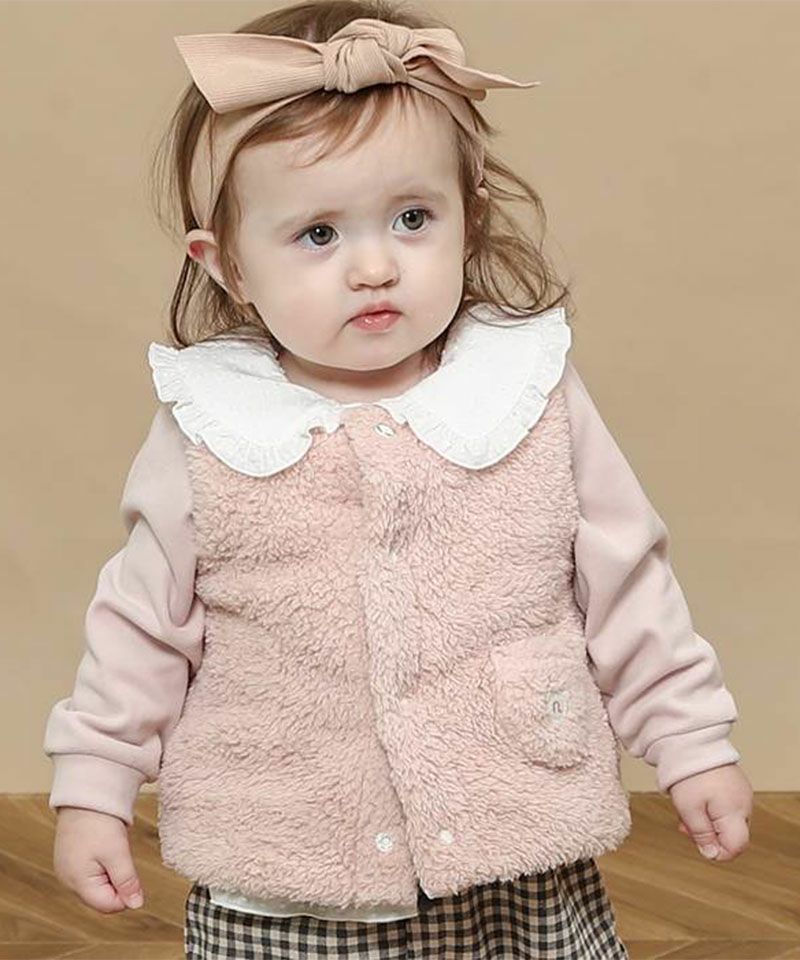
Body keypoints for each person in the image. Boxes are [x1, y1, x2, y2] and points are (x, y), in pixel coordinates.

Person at [44, 1, 753, 957]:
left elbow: (629, 585)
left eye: (413, 219)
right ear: (229, 267)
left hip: (514, 850)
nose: (375, 267)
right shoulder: (211, 424)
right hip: (290, 857)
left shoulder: (525, 391)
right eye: (318, 234)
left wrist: (692, 742)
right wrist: (94, 789)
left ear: (469, 223)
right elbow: (139, 627)